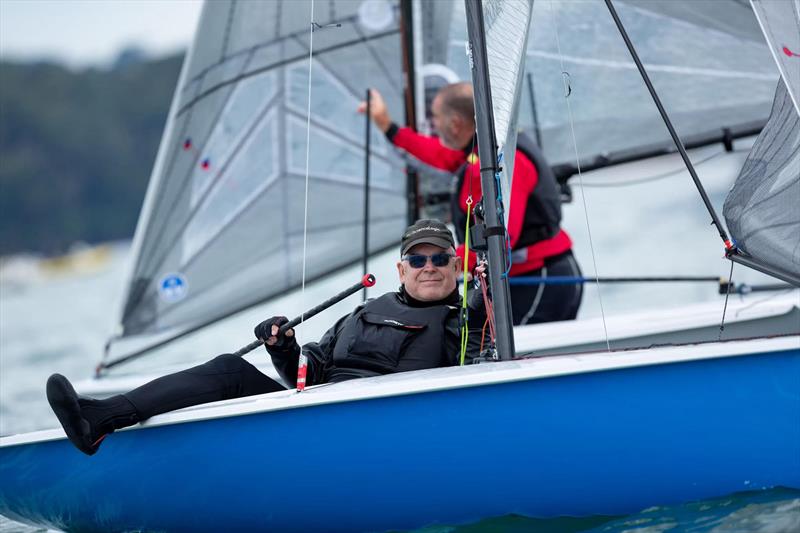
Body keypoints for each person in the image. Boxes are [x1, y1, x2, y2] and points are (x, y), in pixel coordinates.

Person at [46, 219, 487, 456]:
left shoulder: (462, 319)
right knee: (228, 369)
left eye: (440, 257)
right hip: (321, 415)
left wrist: (486, 287)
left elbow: (481, 341)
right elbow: (306, 374)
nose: (429, 265)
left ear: (455, 265)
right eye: (418, 258)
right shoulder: (364, 311)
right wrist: (284, 346)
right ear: (401, 269)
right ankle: (101, 419)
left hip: (375, 428)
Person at [358, 83, 582, 325]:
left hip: (541, 282)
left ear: (454, 123)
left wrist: (437, 261)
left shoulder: (505, 163)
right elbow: (441, 155)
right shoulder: (485, 147)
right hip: (531, 279)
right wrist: (389, 128)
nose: (434, 125)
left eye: (435, 118)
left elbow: (500, 240)